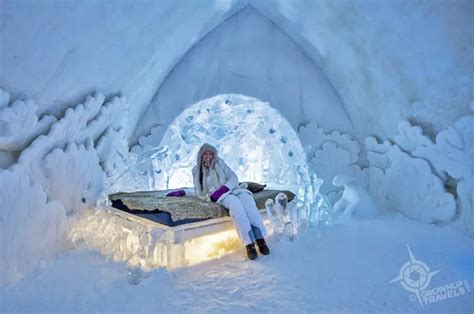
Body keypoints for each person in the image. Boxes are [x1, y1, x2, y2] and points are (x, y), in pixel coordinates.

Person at [191, 143, 270, 260]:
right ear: (201, 156)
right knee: (235, 205)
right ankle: (249, 244)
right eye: (205, 154)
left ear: (214, 155)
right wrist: (182, 192)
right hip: (219, 196)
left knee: (248, 201)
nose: (208, 156)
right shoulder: (196, 171)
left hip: (232, 189)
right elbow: (198, 191)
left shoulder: (220, 163)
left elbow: (234, 178)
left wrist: (225, 188)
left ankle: (260, 239)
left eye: (210, 154)